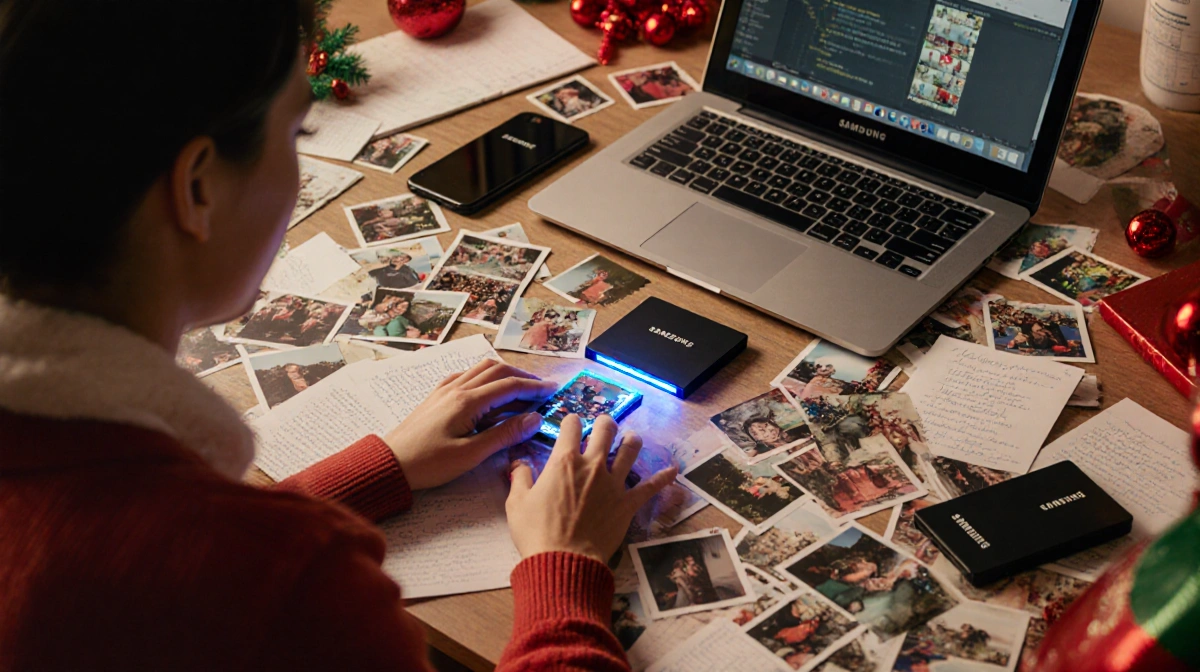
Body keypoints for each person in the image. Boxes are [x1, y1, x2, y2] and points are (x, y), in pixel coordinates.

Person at [0, 2, 678, 670]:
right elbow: (203, 577)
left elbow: (142, 561)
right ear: (197, 188)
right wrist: (567, 564)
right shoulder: (301, 596)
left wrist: (380, 468)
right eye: (296, 135)